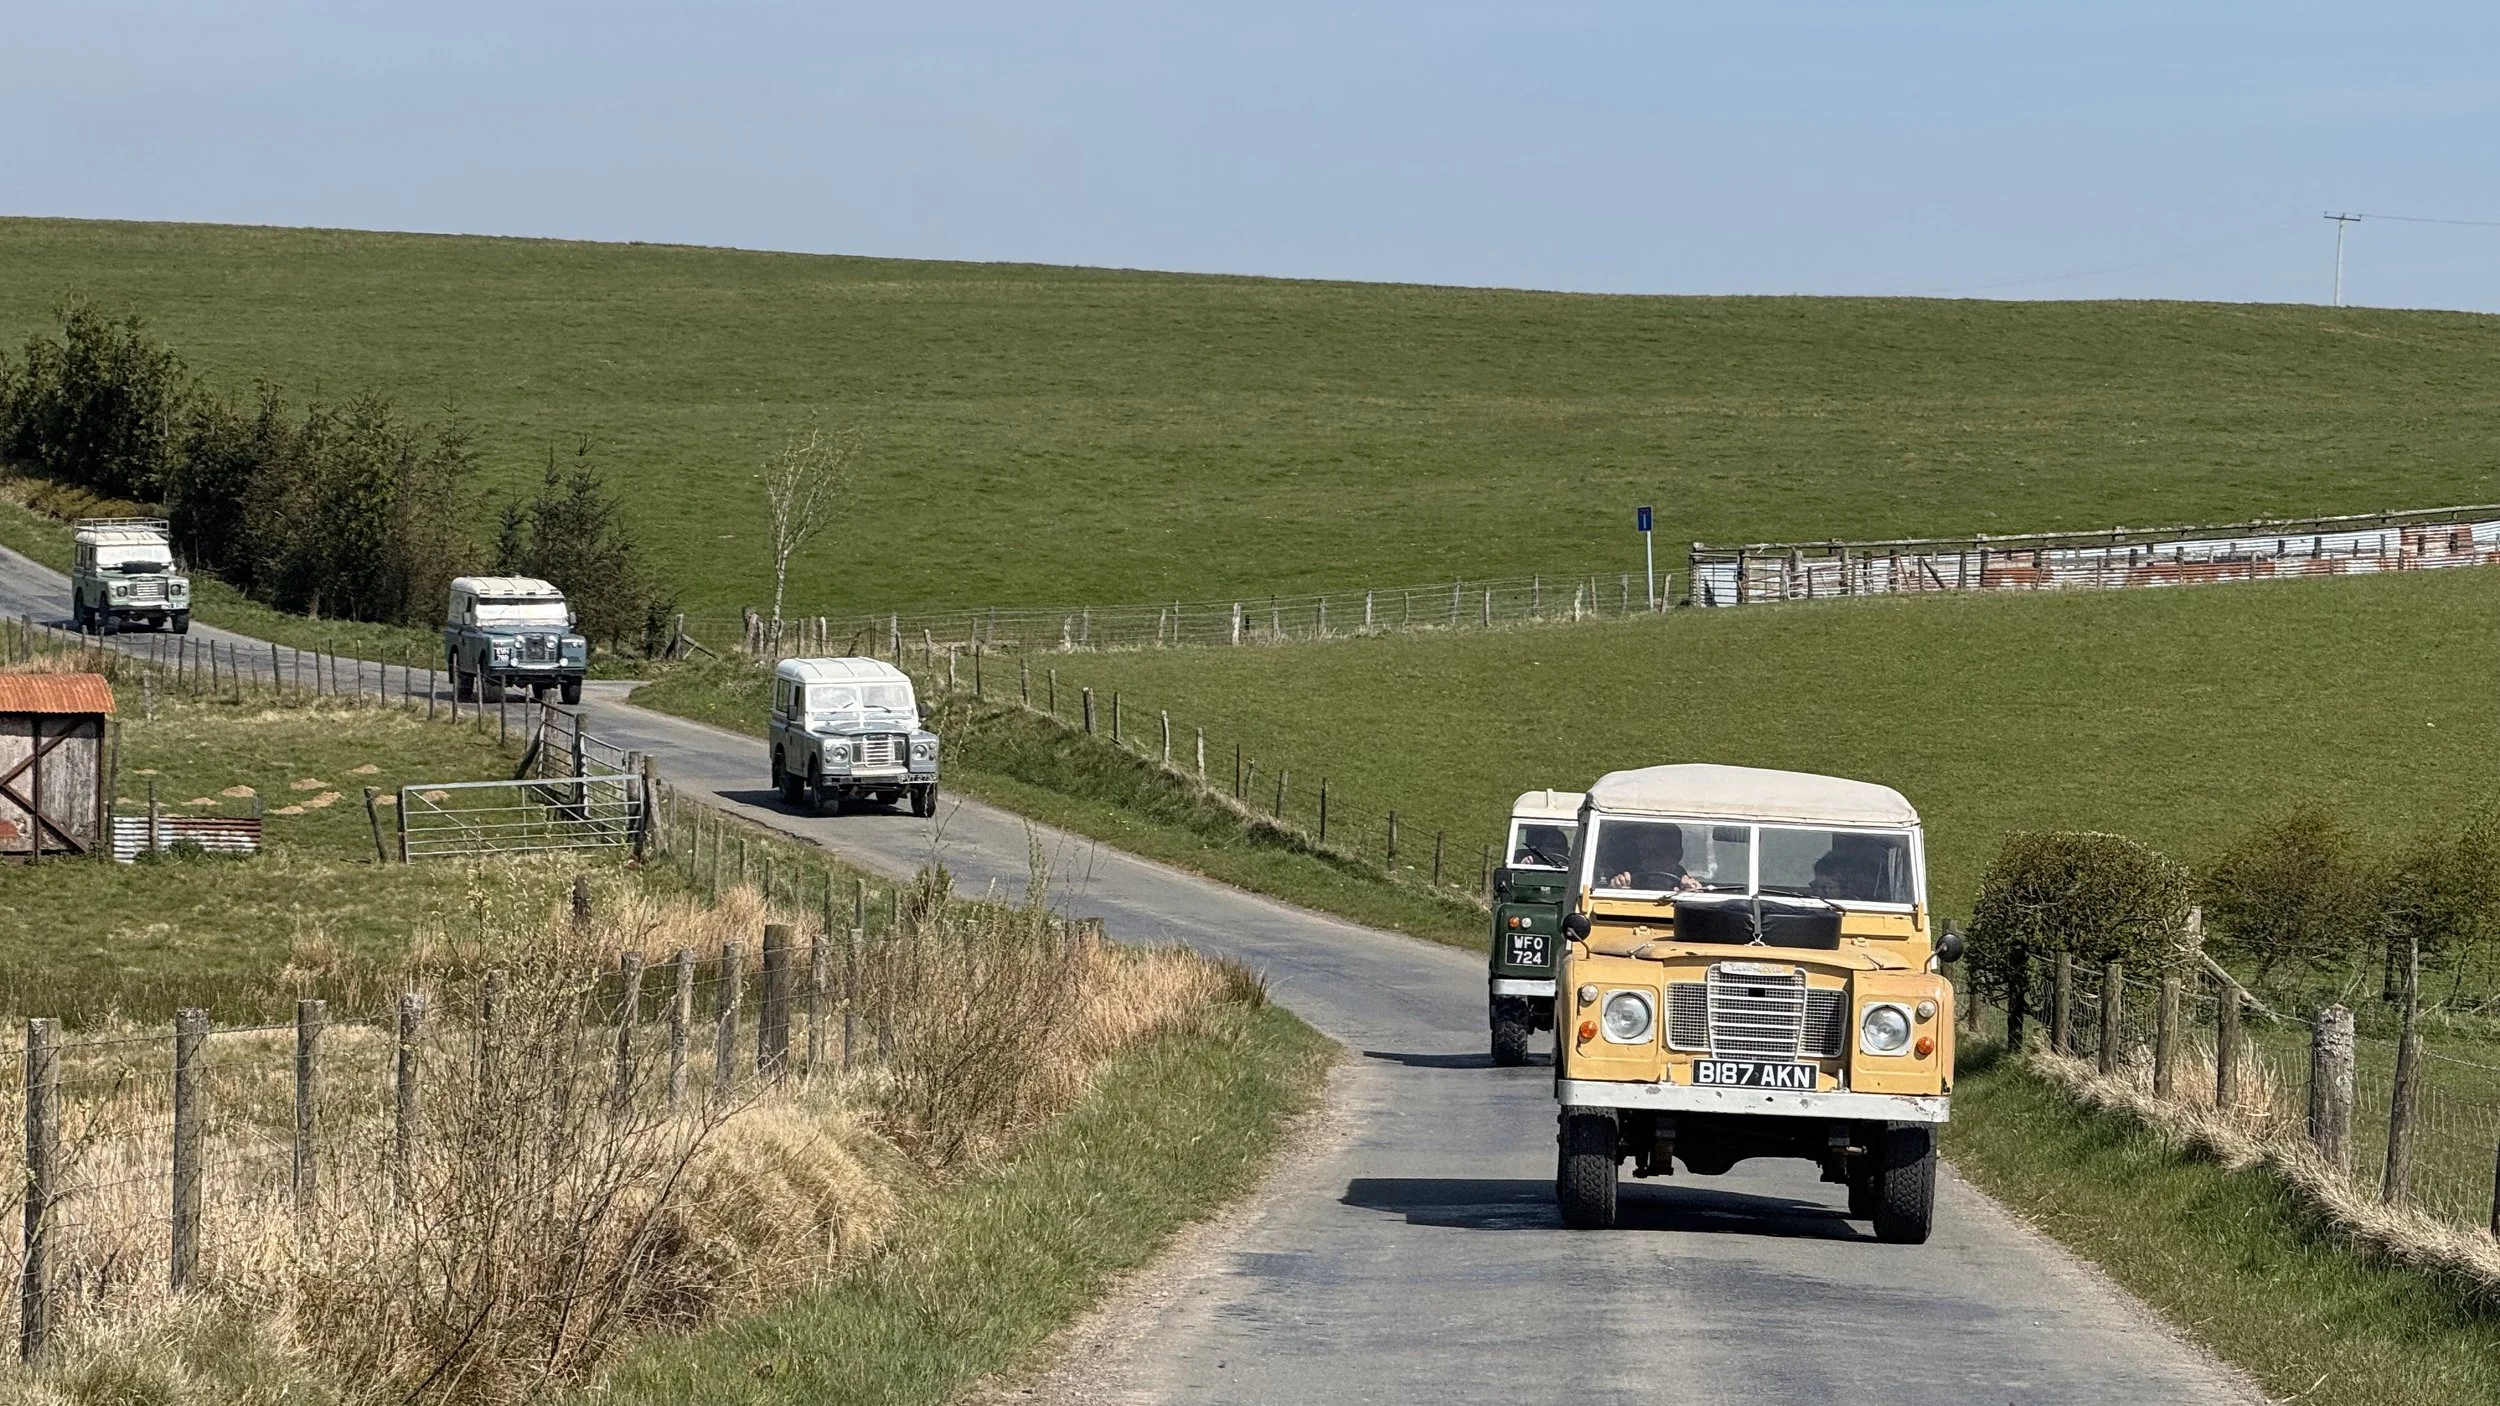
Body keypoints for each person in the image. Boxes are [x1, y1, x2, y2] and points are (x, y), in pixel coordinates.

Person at [1600, 824, 1703, 891]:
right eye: (1646, 852)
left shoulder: (1685, 882)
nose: (1652, 859)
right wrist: (1616, 887)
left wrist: (1694, 893)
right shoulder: (1629, 878)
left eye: (1660, 852)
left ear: (1677, 854)